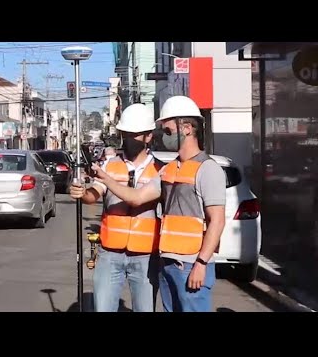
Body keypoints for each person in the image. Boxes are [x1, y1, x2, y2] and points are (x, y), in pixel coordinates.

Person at [91, 96, 226, 312]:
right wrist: (105, 178)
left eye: (168, 130)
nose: (163, 135)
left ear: (188, 128)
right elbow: (136, 197)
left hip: (191, 264)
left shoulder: (207, 169)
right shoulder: (168, 170)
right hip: (168, 264)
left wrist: (201, 263)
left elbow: (217, 221)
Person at [70, 103, 164, 312]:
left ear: (148, 136)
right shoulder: (110, 165)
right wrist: (82, 193)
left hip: (146, 254)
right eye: (126, 134)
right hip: (110, 253)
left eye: (135, 134)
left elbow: (139, 199)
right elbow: (94, 193)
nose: (130, 139)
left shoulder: (160, 169)